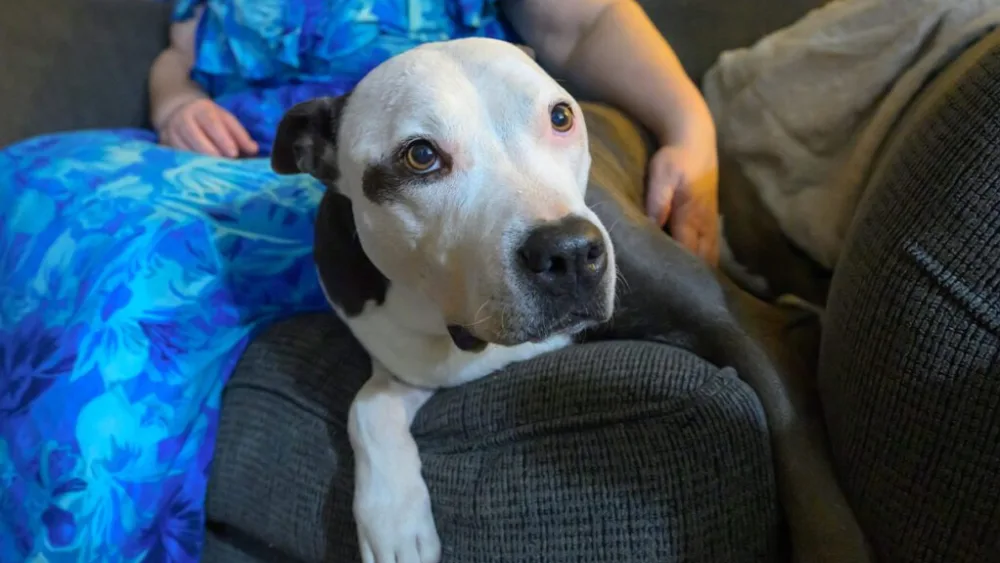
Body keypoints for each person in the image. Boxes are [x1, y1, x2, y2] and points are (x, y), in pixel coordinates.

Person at [0, 0, 717, 561]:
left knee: (122, 298)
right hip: (232, 160)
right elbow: (178, 59)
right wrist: (176, 104)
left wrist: (692, 126)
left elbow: (586, 20)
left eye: (562, 119)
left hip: (384, 176)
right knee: (50, 214)